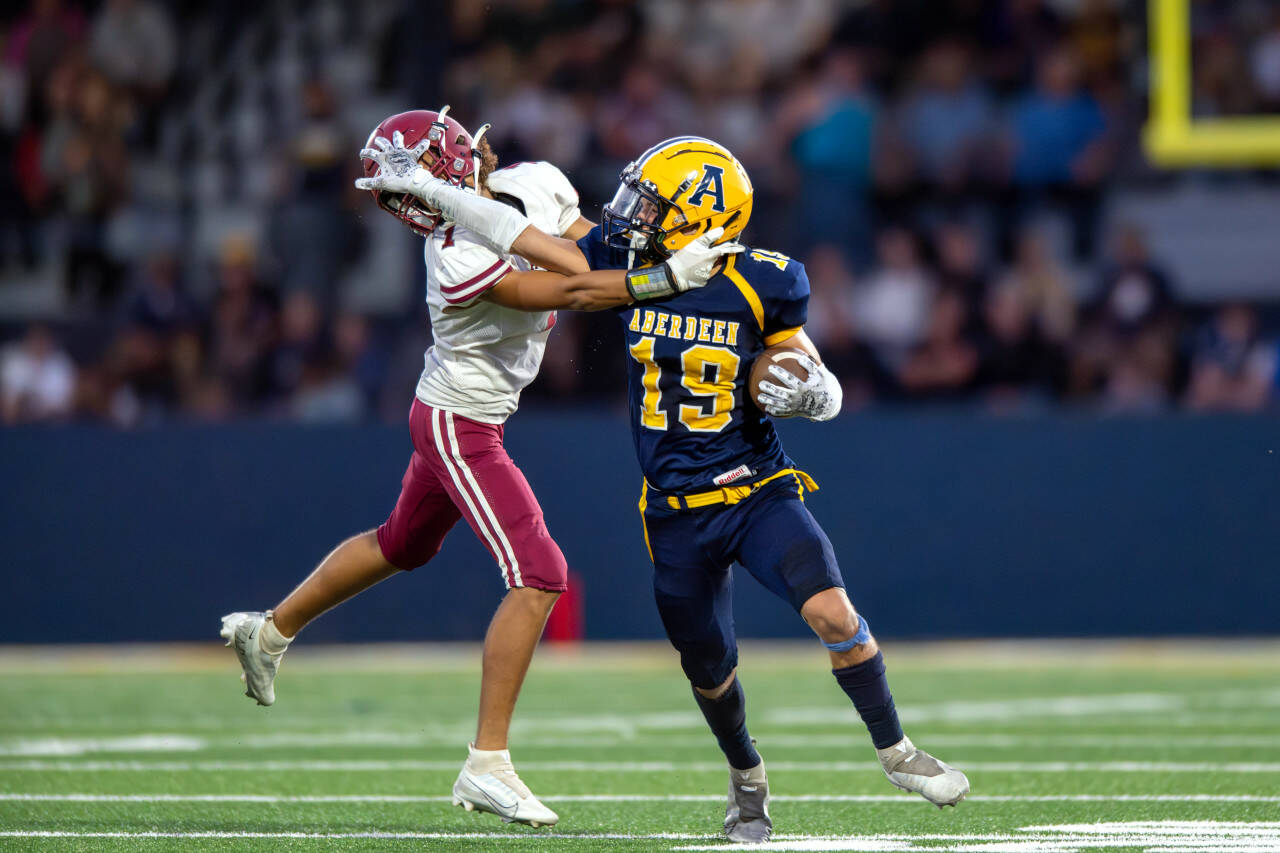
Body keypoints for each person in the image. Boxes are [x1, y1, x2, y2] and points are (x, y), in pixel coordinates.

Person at [393, 136, 970, 842]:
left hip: (755, 487)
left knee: (833, 613)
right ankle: (747, 777)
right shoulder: (631, 261)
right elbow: (525, 236)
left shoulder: (768, 278)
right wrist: (441, 195)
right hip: (672, 509)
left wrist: (819, 389)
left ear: (702, 215)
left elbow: (798, 355)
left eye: (654, 202)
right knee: (709, 671)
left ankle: (897, 750)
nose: (633, 214)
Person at [219, 108, 737, 830]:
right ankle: (486, 761)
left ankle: (267, 632)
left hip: (465, 412)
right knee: (541, 572)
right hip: (459, 421)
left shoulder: (536, 182)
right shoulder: (452, 252)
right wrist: (659, 281)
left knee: (402, 544)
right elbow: (573, 284)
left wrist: (681, 269)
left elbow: (602, 247)